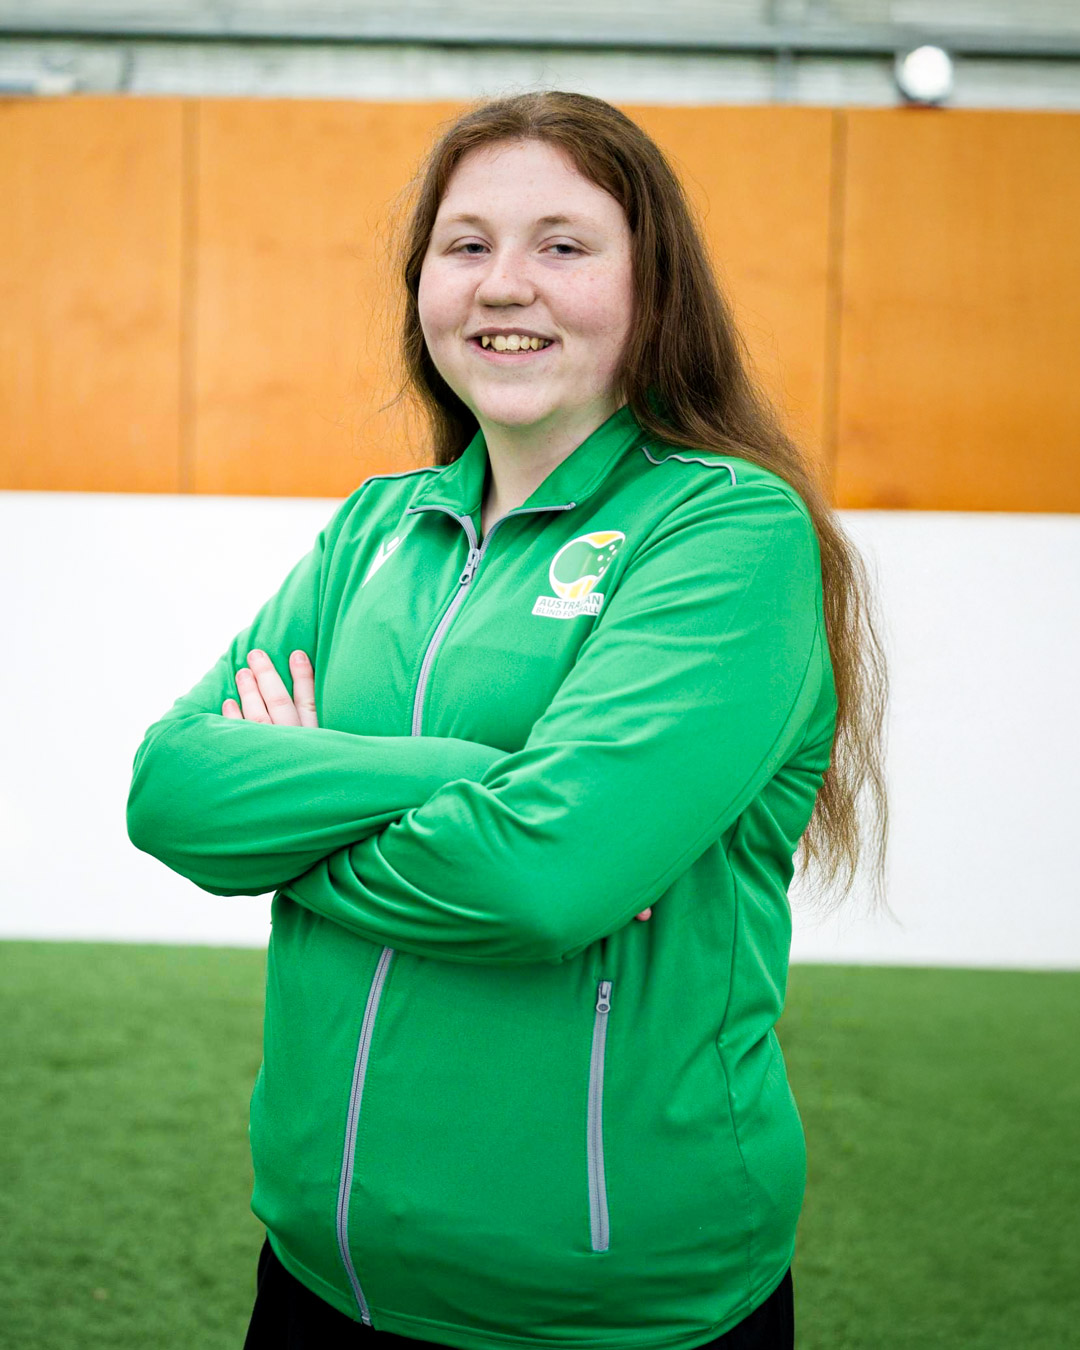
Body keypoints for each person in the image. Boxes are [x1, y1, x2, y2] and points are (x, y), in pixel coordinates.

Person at [127, 90, 888, 1350]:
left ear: (656, 289)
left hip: (610, 1306)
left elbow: (541, 877)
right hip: (320, 1274)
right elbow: (171, 792)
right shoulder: (380, 524)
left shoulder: (726, 532)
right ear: (421, 282)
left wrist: (305, 795)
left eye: (564, 245)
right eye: (466, 245)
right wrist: (477, 775)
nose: (504, 285)